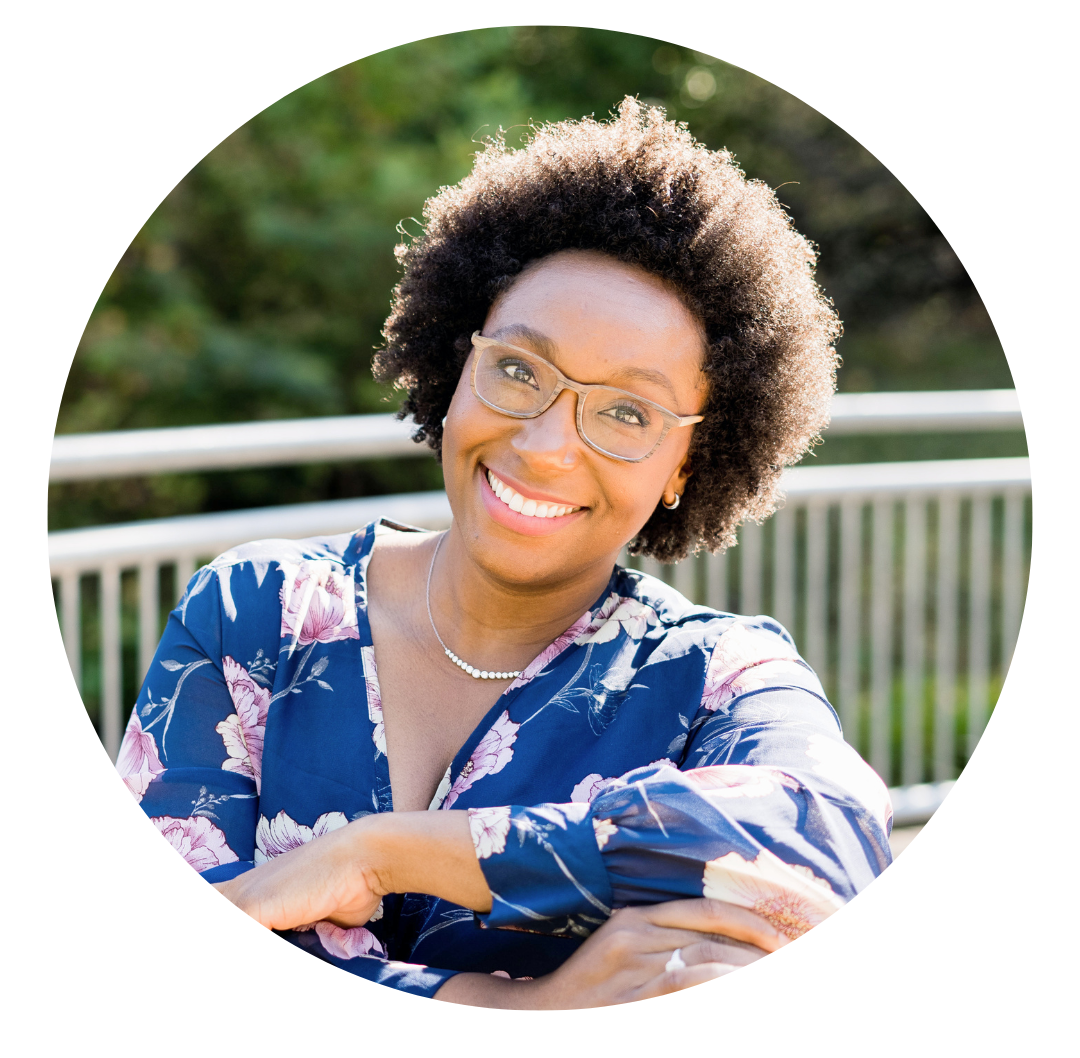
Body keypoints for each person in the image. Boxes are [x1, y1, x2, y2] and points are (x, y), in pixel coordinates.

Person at [116, 98, 893, 1008]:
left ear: (688, 462)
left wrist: (379, 850)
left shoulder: (714, 677)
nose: (546, 446)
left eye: (626, 412)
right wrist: (519, 1010)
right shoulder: (257, 613)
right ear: (457, 368)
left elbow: (828, 834)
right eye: (520, 371)